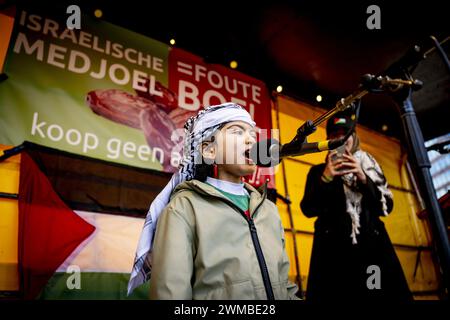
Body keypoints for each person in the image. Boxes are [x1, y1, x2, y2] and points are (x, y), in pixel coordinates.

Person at [128, 102, 299, 300]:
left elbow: (284, 285)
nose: (251, 141)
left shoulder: (268, 209)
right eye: (237, 132)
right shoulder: (184, 207)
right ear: (209, 151)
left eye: (252, 134)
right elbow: (171, 294)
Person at [300, 110, 412, 301]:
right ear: (328, 140)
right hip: (333, 256)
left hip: (371, 251)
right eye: (334, 135)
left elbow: (386, 207)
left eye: (344, 134)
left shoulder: (369, 165)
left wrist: (362, 176)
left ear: (353, 137)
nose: (340, 139)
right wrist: (326, 177)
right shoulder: (317, 171)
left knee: (377, 293)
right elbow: (308, 209)